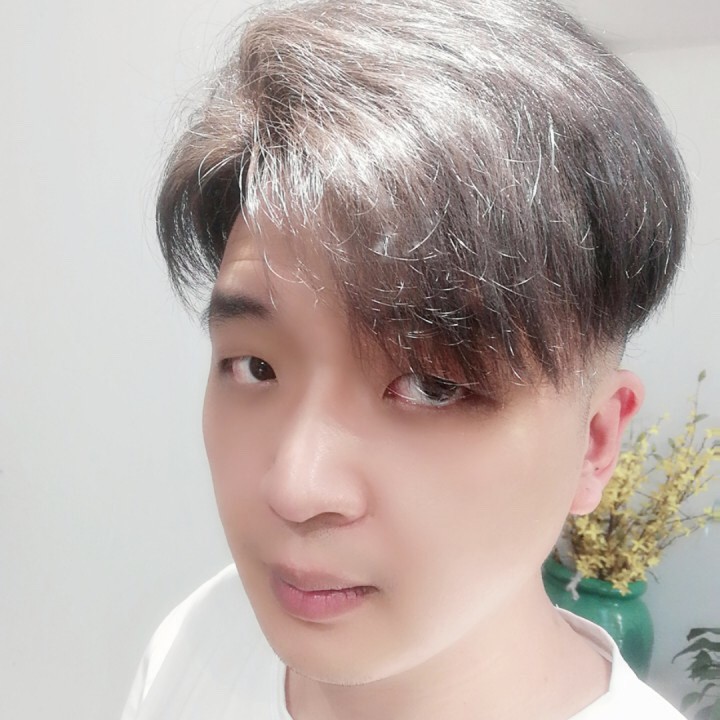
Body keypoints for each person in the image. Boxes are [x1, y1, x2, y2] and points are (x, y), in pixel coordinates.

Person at [122, 0, 691, 717]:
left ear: (595, 443)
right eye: (256, 368)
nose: (295, 488)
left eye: (430, 385)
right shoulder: (198, 640)